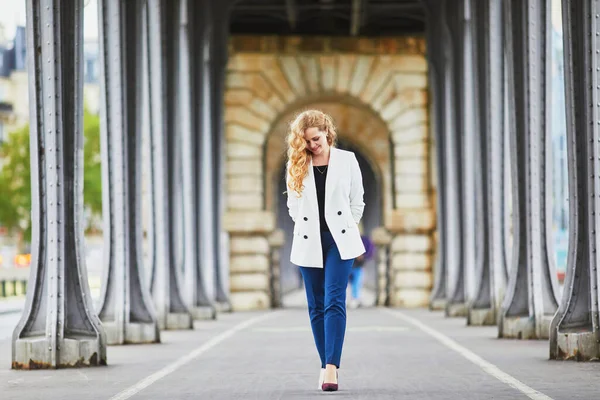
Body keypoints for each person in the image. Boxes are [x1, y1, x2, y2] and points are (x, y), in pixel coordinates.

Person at [285, 109, 365, 392]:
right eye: (306, 141)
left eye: (316, 139)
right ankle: (324, 363)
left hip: (339, 241)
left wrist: (346, 224)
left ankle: (331, 367)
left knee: (334, 299)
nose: (312, 145)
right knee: (315, 305)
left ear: (327, 133)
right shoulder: (296, 163)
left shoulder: (347, 160)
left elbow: (358, 201)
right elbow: (293, 207)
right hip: (309, 241)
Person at [348, 234, 375, 309]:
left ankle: (355, 298)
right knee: (350, 283)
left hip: (357, 266)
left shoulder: (364, 239)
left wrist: (364, 256)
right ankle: (352, 299)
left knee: (356, 283)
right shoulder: (349, 237)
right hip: (349, 264)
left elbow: (370, 251)